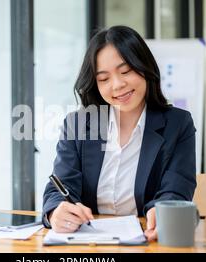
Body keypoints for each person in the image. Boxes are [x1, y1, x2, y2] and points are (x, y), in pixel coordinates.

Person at [42, 25, 196, 241]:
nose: (117, 85)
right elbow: (60, 186)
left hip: (148, 241)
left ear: (144, 67)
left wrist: (161, 212)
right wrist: (56, 211)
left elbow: (176, 189)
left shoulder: (178, 124)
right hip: (88, 247)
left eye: (125, 71)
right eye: (103, 79)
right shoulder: (77, 124)